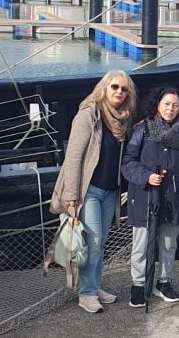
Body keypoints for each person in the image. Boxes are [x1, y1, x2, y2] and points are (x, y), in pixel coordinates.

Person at [50, 70, 138, 314]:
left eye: (124, 89)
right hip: (88, 190)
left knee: (100, 242)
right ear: (104, 88)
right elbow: (73, 157)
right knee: (95, 242)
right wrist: (71, 195)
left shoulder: (123, 119)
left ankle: (94, 286)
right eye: (115, 87)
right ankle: (87, 293)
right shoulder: (89, 114)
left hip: (110, 190)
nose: (119, 92)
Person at [121, 86, 179, 308]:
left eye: (175, 105)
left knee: (168, 243)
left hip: (174, 197)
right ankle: (138, 284)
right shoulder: (142, 130)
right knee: (141, 244)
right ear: (157, 104)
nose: (170, 108)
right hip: (146, 196)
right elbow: (127, 161)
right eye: (166, 104)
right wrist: (146, 176)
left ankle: (164, 281)